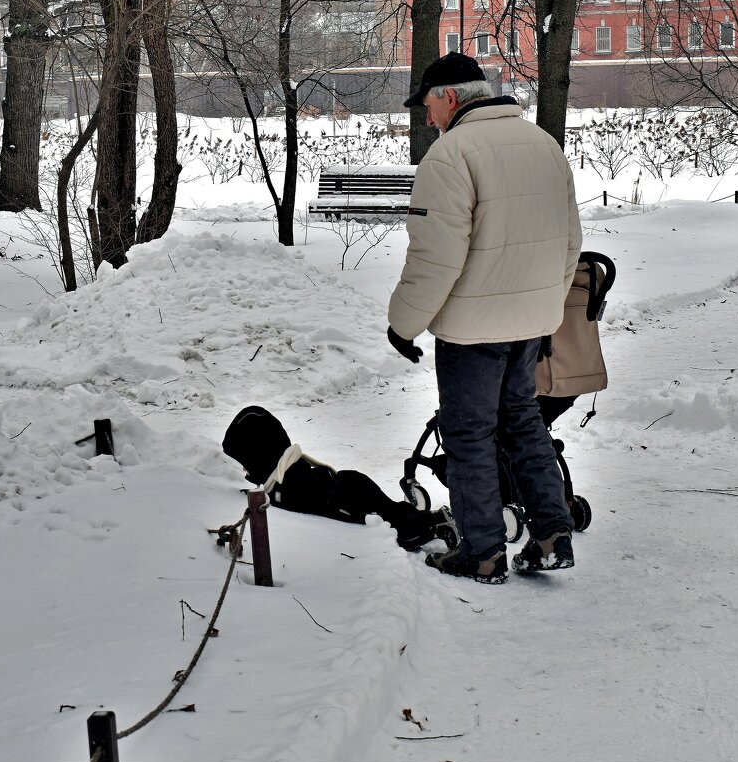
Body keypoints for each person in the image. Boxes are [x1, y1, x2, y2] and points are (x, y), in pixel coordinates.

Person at [387, 52, 583, 584]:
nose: (427, 118)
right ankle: (550, 536)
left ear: (450, 97)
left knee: (468, 434)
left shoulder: (451, 155)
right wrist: (546, 307)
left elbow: (436, 257)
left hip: (473, 329)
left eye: (428, 104)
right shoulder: (544, 145)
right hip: (531, 323)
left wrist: (403, 324)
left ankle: (482, 552)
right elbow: (571, 241)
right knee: (522, 422)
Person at [222, 405, 460, 552]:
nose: (244, 470)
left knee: (396, 525)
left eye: (245, 463)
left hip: (348, 495)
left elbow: (324, 507)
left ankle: (434, 524)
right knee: (390, 509)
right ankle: (435, 520)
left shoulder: (287, 486)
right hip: (348, 482)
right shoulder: (289, 467)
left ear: (258, 457)